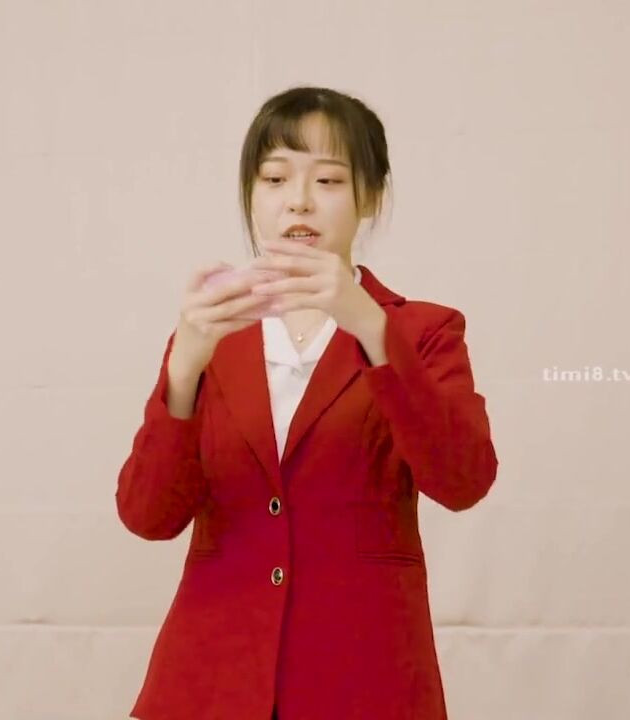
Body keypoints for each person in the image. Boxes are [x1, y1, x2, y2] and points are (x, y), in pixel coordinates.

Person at [116, 86, 499, 720]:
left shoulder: (422, 331)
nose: (298, 199)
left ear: (369, 196)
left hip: (364, 679)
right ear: (251, 195)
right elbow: (148, 516)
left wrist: (372, 329)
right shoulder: (212, 331)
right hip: (210, 682)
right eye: (274, 178)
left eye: (328, 180)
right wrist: (183, 369)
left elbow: (462, 481)